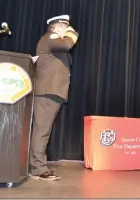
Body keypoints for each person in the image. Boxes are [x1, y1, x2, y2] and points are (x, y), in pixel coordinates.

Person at [29, 15, 79, 180]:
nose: (68, 29)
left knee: (43, 130)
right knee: (42, 131)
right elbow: (68, 43)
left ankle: (37, 165)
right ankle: (38, 169)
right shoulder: (50, 37)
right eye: (65, 26)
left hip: (52, 91)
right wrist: (73, 32)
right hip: (46, 91)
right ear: (55, 27)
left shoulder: (53, 42)